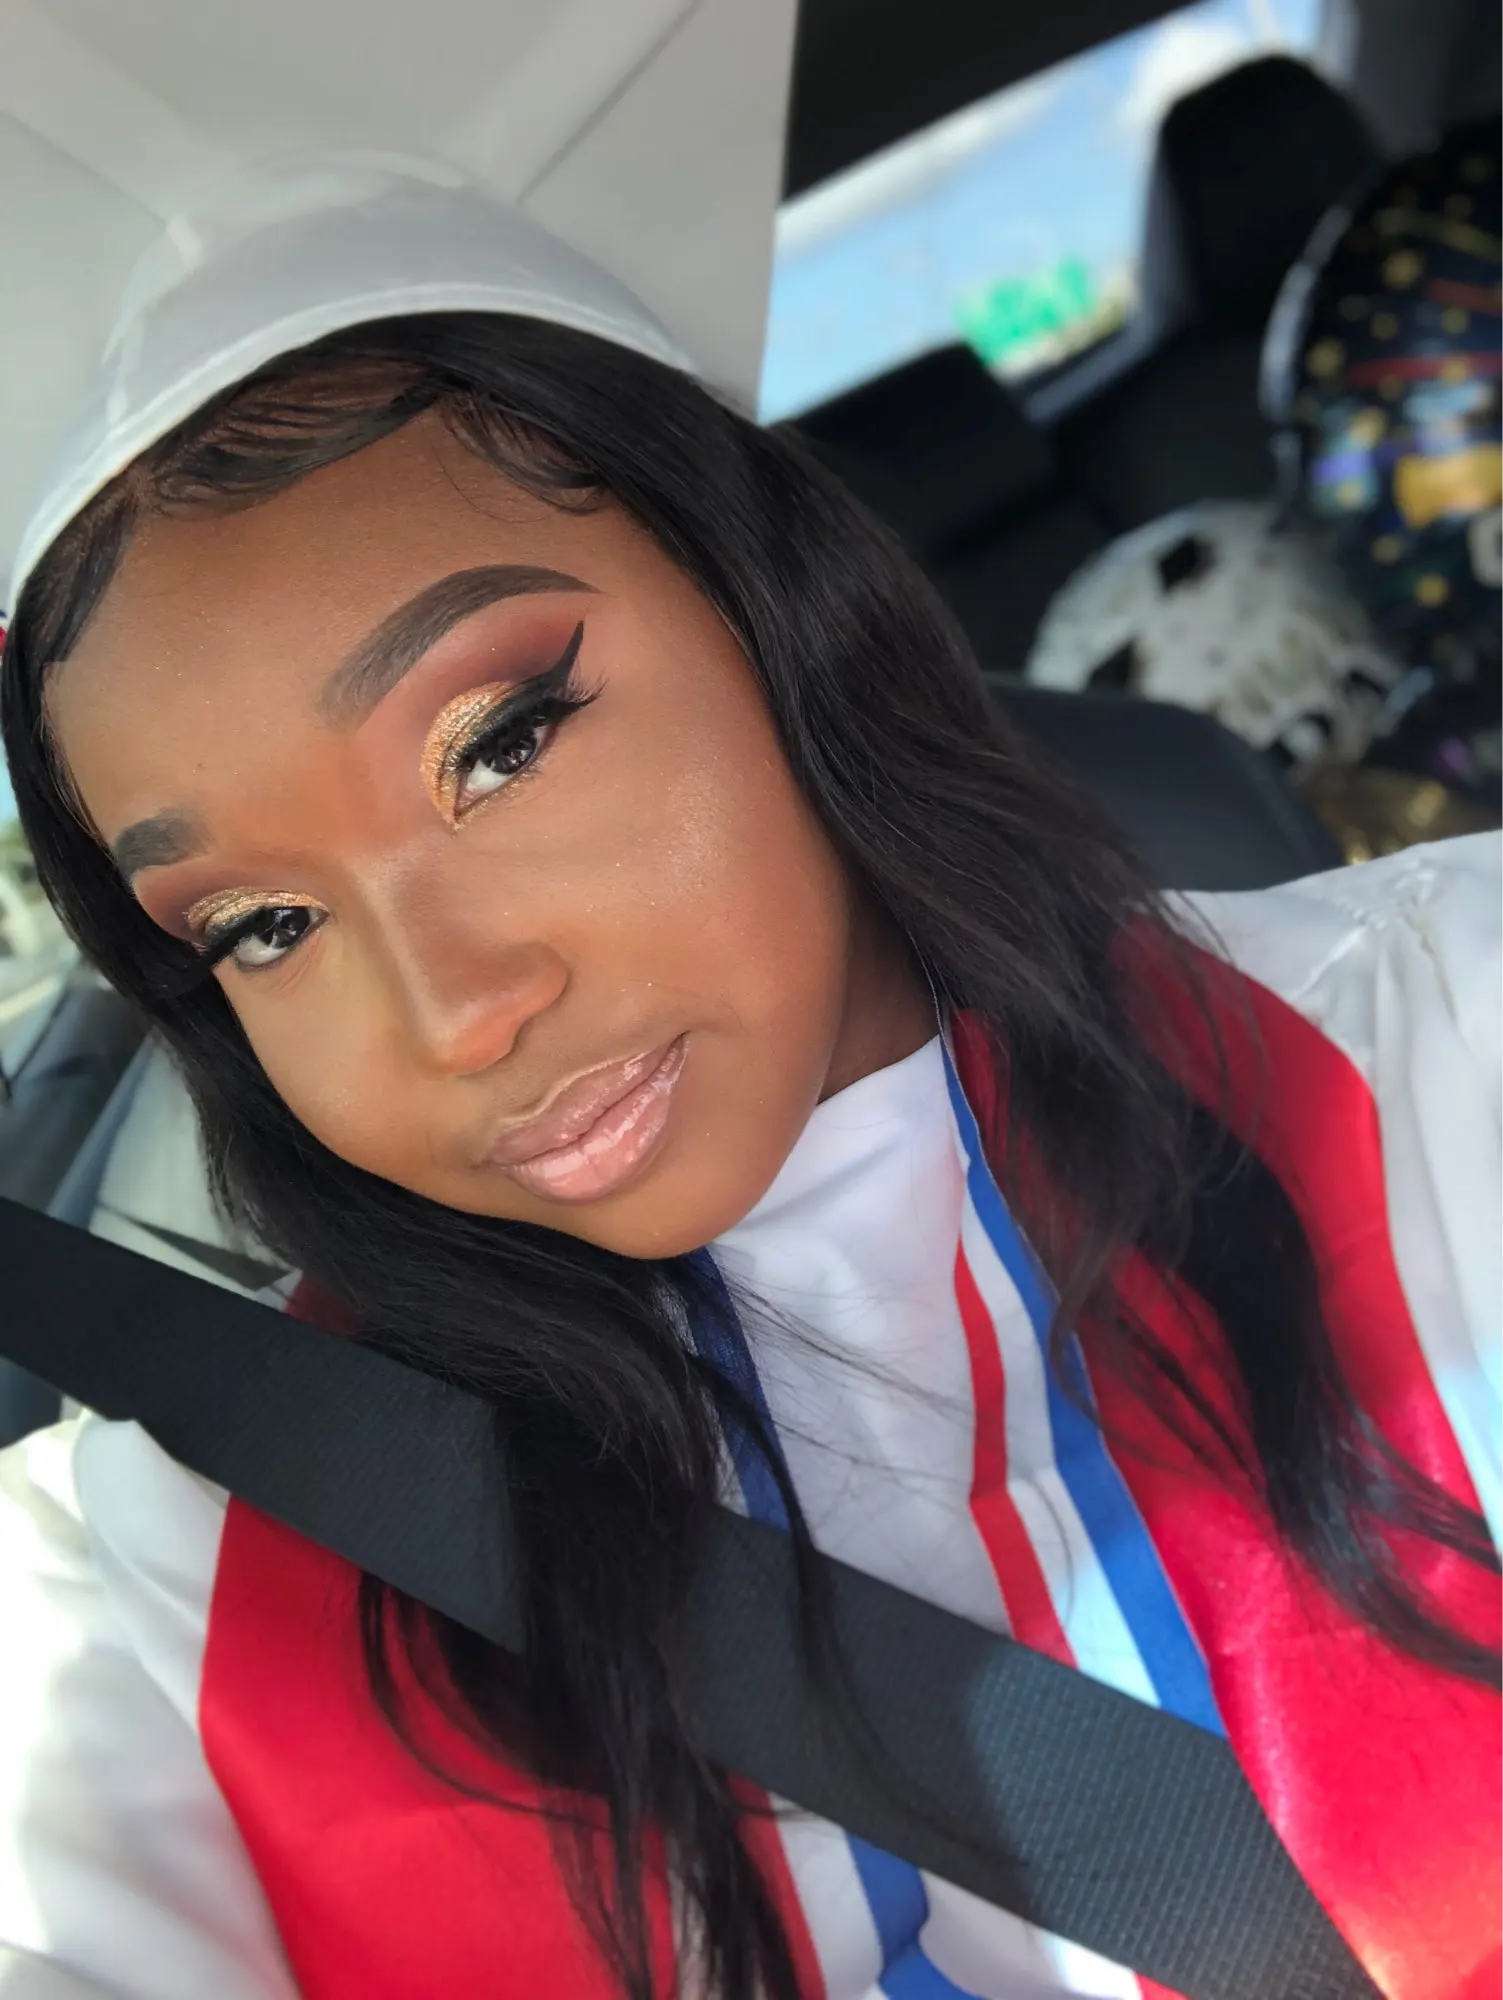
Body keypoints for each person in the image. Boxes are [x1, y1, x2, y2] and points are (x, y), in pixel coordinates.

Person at [0, 162, 1497, 2000]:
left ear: (777, 605)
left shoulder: (1444, 1038)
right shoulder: (157, 1598)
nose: (453, 1013)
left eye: (502, 743)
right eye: (261, 926)